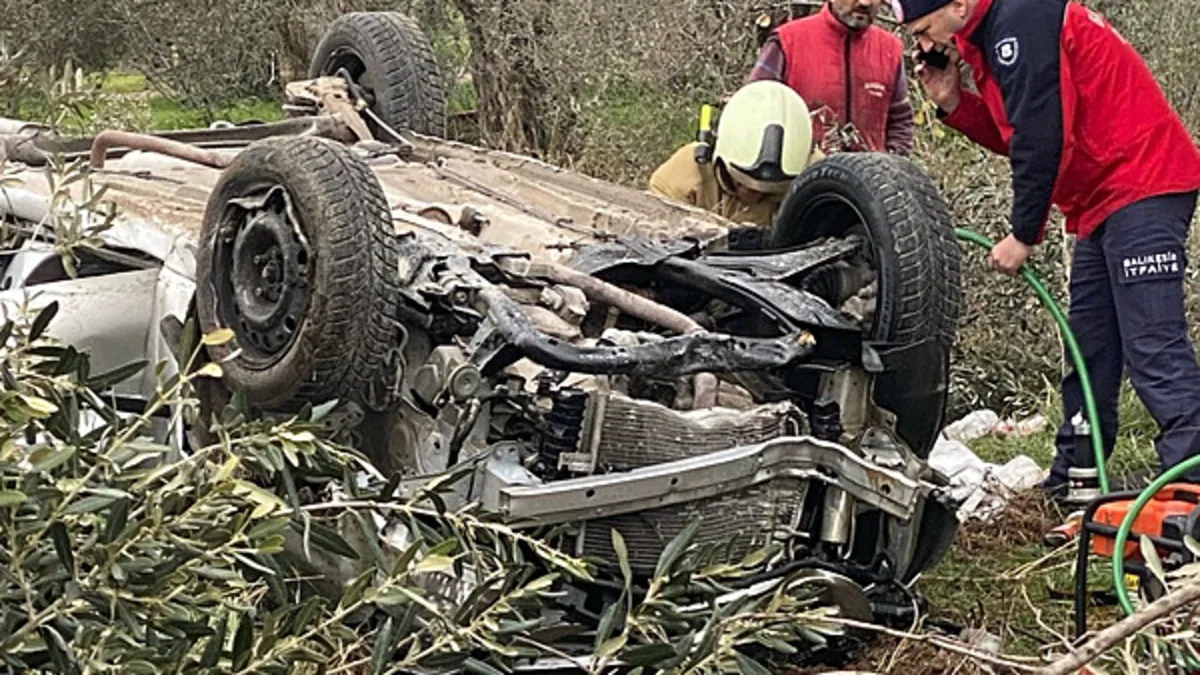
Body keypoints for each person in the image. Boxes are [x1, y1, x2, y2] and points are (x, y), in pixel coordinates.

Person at [892, 0, 1200, 491]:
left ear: (958, 5)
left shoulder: (1020, 21)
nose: (923, 45)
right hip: (1100, 199)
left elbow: (1040, 137)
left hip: (1144, 181)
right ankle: (1077, 476)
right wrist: (953, 103)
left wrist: (1023, 235)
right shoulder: (986, 39)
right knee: (1089, 348)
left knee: (1152, 344)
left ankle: (1191, 482)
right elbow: (1017, 134)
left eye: (925, 30)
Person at [748, 0, 915, 155]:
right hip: (800, 181)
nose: (865, 2)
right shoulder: (787, 42)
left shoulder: (889, 50)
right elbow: (753, 112)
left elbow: (900, 121)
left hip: (868, 182)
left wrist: (892, 165)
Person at [648, 80, 817, 229]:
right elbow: (652, 236)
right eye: (742, 181)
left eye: (768, 189)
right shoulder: (683, 177)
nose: (753, 193)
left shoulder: (820, 179)